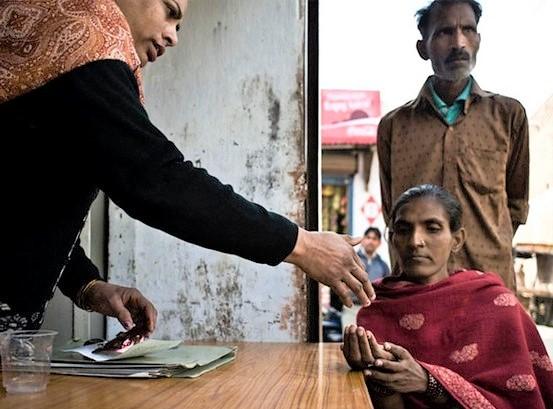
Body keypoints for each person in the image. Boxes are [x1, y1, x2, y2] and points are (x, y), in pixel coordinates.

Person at [0, 0, 375, 335]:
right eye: (170, 12)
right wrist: (303, 245)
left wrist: (87, 286)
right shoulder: (86, 31)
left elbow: (25, 198)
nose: (173, 36)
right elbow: (157, 179)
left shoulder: (64, 46)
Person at [342, 185, 553, 409]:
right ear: (392, 238)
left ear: (457, 239)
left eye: (432, 228)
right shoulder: (376, 308)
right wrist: (377, 376)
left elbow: (521, 399)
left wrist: (429, 382)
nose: (415, 241)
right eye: (403, 230)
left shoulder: (496, 304)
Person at [377, 0, 529, 290]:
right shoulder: (394, 126)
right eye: (445, 32)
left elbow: (516, 205)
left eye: (468, 30)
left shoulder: (508, 115)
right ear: (423, 48)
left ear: (479, 40)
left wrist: (487, 240)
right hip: (417, 288)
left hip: (489, 282)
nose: (459, 42)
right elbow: (391, 210)